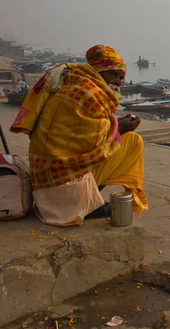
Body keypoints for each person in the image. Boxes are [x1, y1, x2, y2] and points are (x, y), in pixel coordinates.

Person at [10, 44, 147, 226]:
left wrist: (113, 123)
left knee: (129, 140)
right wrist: (119, 129)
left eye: (122, 77)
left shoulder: (70, 83)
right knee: (133, 141)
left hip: (43, 184)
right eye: (114, 75)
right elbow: (94, 145)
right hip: (64, 193)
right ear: (99, 72)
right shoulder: (89, 93)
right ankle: (87, 204)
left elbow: (81, 130)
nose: (119, 82)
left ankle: (91, 196)